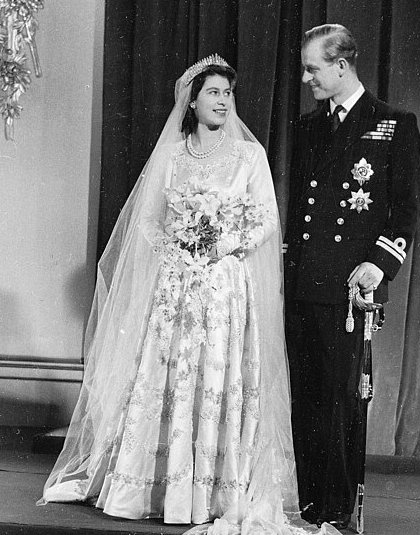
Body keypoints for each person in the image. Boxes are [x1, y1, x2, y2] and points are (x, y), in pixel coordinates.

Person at [38, 54, 312, 534]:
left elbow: (267, 219)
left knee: (216, 377)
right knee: (172, 377)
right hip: (177, 287)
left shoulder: (250, 157)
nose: (223, 102)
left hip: (226, 283)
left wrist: (224, 244)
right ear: (192, 100)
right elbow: (147, 219)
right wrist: (177, 250)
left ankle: (215, 492)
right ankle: (158, 489)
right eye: (214, 92)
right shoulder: (171, 155)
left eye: (228, 93)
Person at [284, 24, 420, 533]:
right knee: (308, 397)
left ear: (341, 66)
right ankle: (311, 506)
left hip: (349, 289)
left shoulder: (392, 124)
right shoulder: (308, 127)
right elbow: (301, 209)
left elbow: (405, 212)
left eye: (313, 69)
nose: (305, 79)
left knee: (343, 400)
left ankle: (339, 513)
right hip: (304, 285)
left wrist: (380, 265)